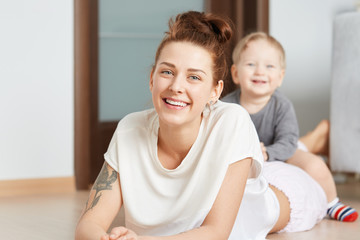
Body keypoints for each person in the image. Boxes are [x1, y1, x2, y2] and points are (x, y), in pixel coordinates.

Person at [75, 12, 327, 240]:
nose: (176, 86)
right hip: (243, 170)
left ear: (215, 91)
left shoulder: (232, 121)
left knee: (307, 170)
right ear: (152, 78)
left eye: (194, 77)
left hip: (283, 195)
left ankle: (313, 140)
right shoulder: (130, 129)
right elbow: (89, 224)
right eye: (167, 72)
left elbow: (216, 233)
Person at [222, 31, 358, 222]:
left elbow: (288, 141)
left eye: (269, 66)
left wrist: (267, 153)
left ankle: (332, 202)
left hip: (280, 151)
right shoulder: (227, 106)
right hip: (245, 156)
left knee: (315, 164)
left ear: (280, 77)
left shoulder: (281, 105)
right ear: (236, 73)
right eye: (251, 64)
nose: (260, 71)